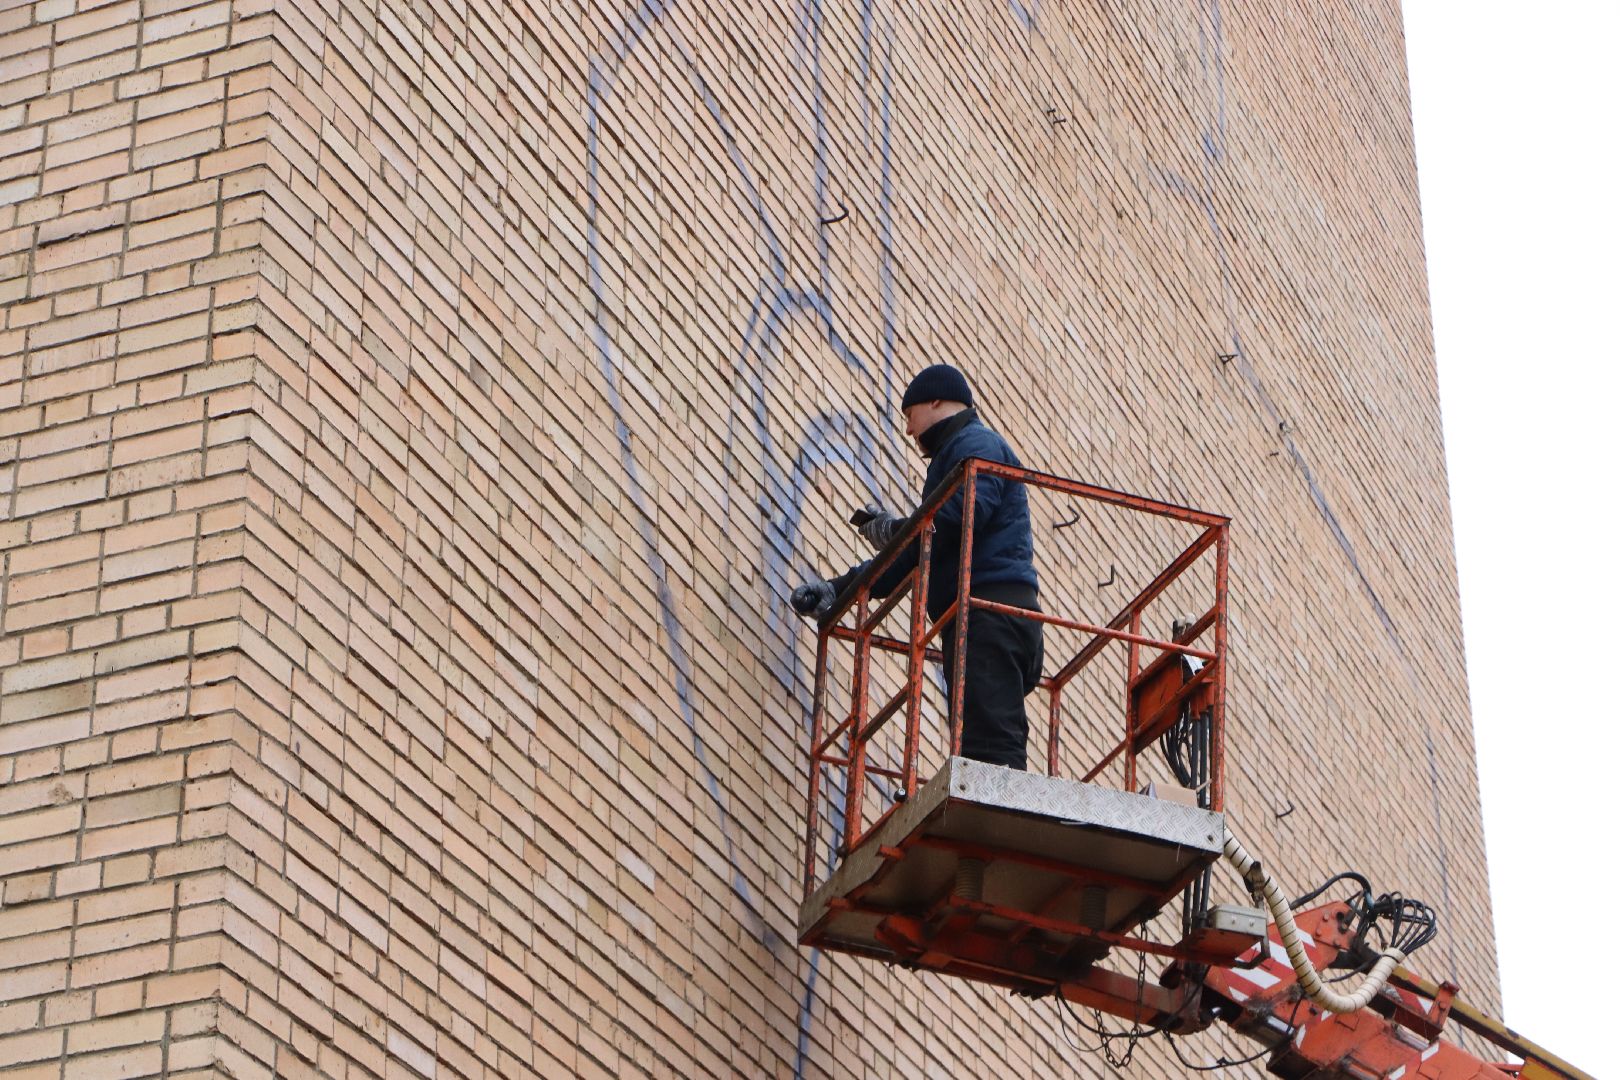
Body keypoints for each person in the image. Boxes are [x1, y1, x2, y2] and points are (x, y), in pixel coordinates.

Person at [791, 364, 1043, 769]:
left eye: (909, 415)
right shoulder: (959, 452)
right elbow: (918, 554)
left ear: (936, 400)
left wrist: (899, 530)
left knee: (992, 755)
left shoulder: (976, 443)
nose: (908, 430)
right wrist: (840, 589)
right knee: (978, 748)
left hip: (990, 615)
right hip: (982, 619)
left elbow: (958, 518)